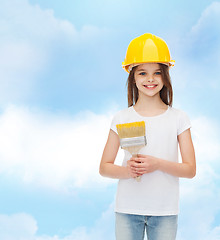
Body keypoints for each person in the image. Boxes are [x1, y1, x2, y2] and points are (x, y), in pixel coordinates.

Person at [99, 33, 196, 240]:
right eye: (142, 73)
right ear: (132, 76)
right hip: (127, 209)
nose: (150, 79)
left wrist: (157, 164)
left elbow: (190, 170)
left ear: (166, 76)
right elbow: (104, 167)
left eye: (157, 73)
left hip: (165, 211)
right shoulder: (122, 118)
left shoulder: (179, 118)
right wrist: (128, 171)